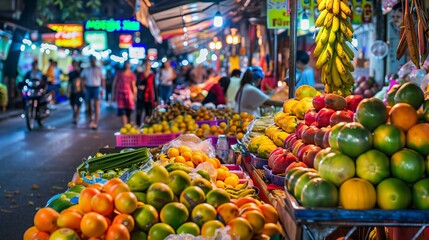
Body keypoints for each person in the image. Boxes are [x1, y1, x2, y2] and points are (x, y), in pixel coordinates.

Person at [80, 56, 105, 129]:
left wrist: (103, 89)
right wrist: (83, 87)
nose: (92, 62)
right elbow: (82, 78)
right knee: (89, 104)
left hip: (96, 88)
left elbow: (103, 79)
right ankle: (91, 118)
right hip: (88, 87)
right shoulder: (87, 69)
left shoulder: (99, 69)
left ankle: (96, 121)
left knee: (96, 104)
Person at [112, 61, 137, 126]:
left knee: (129, 112)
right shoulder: (119, 73)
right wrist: (113, 94)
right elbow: (114, 84)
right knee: (122, 111)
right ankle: (125, 126)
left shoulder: (132, 74)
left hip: (129, 96)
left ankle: (129, 126)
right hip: (120, 95)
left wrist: (134, 95)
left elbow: (133, 86)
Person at [387, 3, 407, 74]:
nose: (395, 19)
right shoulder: (395, 29)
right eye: (393, 16)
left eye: (398, 17)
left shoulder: (414, 29)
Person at [68, 60, 84, 124]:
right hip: (73, 91)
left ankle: (76, 118)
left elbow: (83, 79)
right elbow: (69, 82)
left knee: (78, 104)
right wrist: (68, 90)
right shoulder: (71, 73)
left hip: (79, 91)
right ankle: (74, 114)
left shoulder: (81, 71)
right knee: (72, 104)